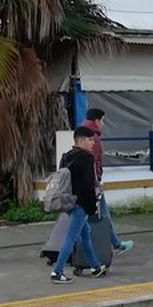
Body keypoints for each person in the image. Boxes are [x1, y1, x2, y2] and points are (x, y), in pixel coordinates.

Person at [50, 125, 107, 283]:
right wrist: (92, 206)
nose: (93, 143)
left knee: (85, 233)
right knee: (71, 237)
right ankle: (57, 272)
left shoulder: (67, 156)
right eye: (90, 140)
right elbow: (88, 185)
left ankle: (95, 266)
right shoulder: (86, 157)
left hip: (69, 202)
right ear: (81, 140)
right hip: (81, 204)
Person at [80, 108, 135, 255]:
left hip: (83, 182)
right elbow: (95, 161)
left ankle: (112, 243)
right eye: (103, 120)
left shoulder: (82, 133)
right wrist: (97, 179)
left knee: (84, 216)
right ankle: (115, 244)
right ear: (97, 121)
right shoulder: (94, 138)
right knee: (103, 213)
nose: (103, 124)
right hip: (93, 183)